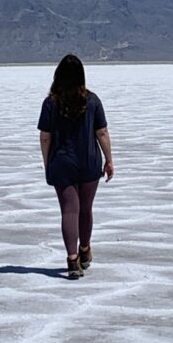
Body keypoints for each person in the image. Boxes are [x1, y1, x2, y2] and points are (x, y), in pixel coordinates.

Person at [38, 53, 114, 278]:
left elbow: (45, 137)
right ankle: (85, 250)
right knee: (85, 209)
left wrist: (47, 163)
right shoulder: (92, 100)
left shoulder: (51, 103)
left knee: (69, 210)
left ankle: (72, 260)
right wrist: (109, 159)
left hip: (62, 164)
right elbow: (101, 132)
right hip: (89, 162)